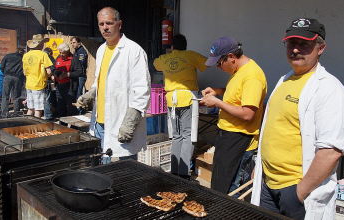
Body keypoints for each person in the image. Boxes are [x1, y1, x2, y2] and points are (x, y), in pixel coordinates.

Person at [251, 18, 344, 220]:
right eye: (291, 43)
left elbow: (331, 151)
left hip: (295, 192)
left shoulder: (330, 89)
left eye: (304, 44)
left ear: (320, 48)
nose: (295, 50)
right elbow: (275, 127)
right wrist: (258, 168)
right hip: (267, 185)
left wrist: (299, 193)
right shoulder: (285, 80)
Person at [77, 7, 150, 163]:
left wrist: (130, 122)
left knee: (125, 170)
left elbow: (142, 90)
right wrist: (92, 93)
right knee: (103, 170)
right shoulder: (101, 50)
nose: (105, 27)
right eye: (101, 23)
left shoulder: (134, 51)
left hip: (122, 123)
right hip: (100, 123)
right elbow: (100, 80)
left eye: (109, 23)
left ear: (119, 24)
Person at [200, 37, 267, 195]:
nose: (218, 67)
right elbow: (237, 93)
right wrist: (218, 91)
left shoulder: (252, 76)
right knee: (220, 184)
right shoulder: (239, 70)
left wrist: (217, 102)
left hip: (240, 138)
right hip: (228, 135)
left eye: (218, 63)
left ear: (231, 57)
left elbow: (247, 114)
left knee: (230, 189)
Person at [153, 34, 207, 178]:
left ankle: (175, 171)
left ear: (172, 47)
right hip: (188, 98)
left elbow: (155, 63)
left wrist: (170, 56)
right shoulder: (191, 55)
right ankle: (183, 174)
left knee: (177, 136)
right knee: (187, 136)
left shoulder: (165, 58)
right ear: (185, 46)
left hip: (171, 100)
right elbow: (207, 64)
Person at [22, 34, 53, 118]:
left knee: (30, 108)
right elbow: (49, 71)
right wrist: (49, 76)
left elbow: (24, 72)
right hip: (38, 84)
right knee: (38, 110)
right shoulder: (43, 54)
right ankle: (35, 128)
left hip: (29, 84)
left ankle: (26, 126)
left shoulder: (25, 55)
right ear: (41, 44)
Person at [54, 43, 82, 117]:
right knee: (60, 106)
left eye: (62, 52)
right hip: (59, 86)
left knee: (70, 107)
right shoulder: (58, 57)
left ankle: (72, 126)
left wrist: (67, 74)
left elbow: (79, 71)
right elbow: (54, 68)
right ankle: (62, 125)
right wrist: (55, 75)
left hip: (70, 86)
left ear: (67, 51)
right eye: (59, 52)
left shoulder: (74, 59)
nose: (60, 54)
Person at [0, 47, 25, 117]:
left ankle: (4, 113)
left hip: (7, 77)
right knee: (16, 96)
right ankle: (16, 112)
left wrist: (5, 73)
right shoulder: (22, 58)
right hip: (17, 78)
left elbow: (2, 67)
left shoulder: (8, 56)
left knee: (5, 96)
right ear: (22, 52)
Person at [43, 47, 56, 120]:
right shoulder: (50, 58)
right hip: (49, 81)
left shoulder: (41, 57)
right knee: (48, 98)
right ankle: (49, 115)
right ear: (50, 53)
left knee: (44, 98)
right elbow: (52, 70)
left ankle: (45, 113)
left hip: (39, 81)